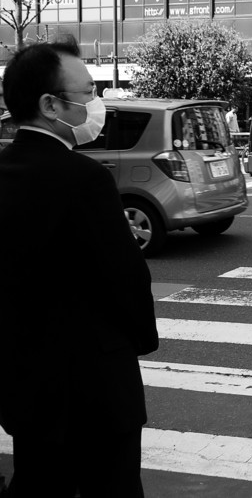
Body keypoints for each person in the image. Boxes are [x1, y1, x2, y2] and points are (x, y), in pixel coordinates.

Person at [0, 40, 159, 498]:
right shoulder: (84, 179)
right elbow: (126, 278)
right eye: (88, 91)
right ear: (51, 104)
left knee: (39, 485)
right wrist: (141, 340)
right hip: (96, 388)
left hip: (25, 387)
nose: (97, 102)